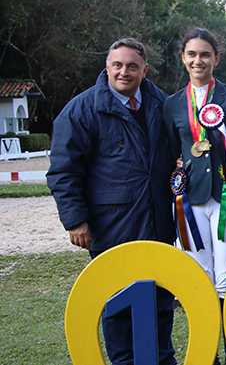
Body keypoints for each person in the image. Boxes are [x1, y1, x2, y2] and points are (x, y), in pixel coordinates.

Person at [47, 38, 178, 365]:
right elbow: (63, 170)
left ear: (144, 70)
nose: (124, 72)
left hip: (159, 223)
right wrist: (75, 220)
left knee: (161, 299)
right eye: (117, 65)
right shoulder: (81, 110)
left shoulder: (163, 104)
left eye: (132, 66)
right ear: (106, 67)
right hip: (112, 227)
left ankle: (162, 359)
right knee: (119, 303)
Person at [163, 27, 226, 365]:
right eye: (192, 54)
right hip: (189, 202)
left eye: (205, 54)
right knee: (199, 280)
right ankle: (208, 354)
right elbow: (172, 153)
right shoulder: (172, 104)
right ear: (183, 58)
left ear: (216, 58)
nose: (198, 60)